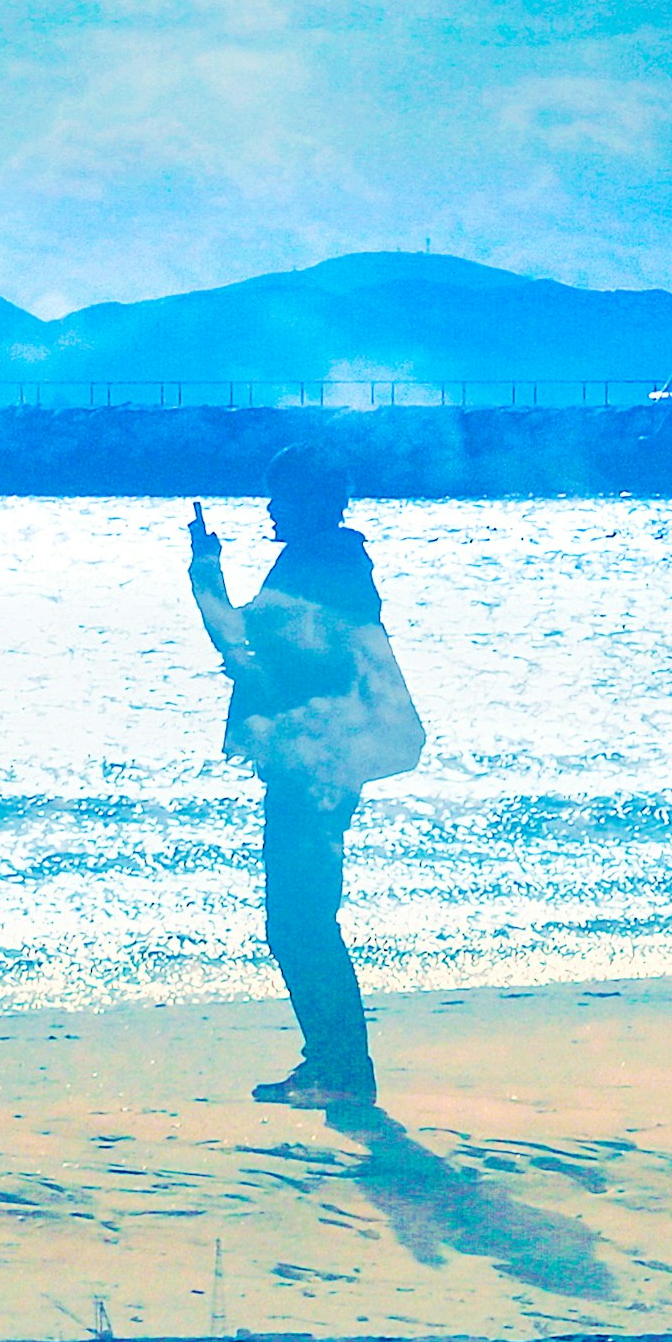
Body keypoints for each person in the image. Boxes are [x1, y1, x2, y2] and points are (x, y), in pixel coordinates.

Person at [187, 450, 426, 1111]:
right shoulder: (341, 563)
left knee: (297, 921)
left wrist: (205, 572)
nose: (270, 509)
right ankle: (336, 1063)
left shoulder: (315, 563)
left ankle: (341, 1066)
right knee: (304, 917)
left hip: (311, 762)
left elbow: (239, 641)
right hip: (326, 759)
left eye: (279, 497)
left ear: (311, 500)